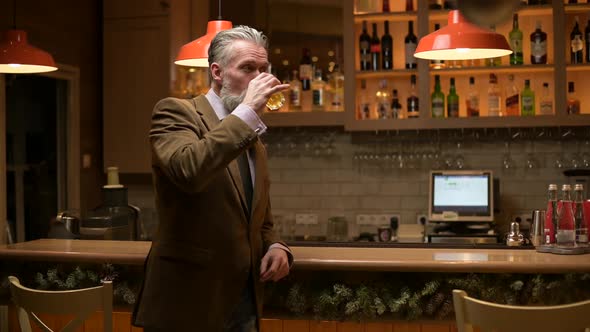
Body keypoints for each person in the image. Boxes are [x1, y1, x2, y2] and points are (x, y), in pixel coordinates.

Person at [132, 25, 292, 332]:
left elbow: (261, 221)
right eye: (247, 68)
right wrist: (246, 113)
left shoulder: (253, 139)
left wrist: (276, 246)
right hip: (188, 304)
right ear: (217, 72)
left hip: (244, 302)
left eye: (263, 69)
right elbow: (188, 170)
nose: (259, 79)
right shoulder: (177, 113)